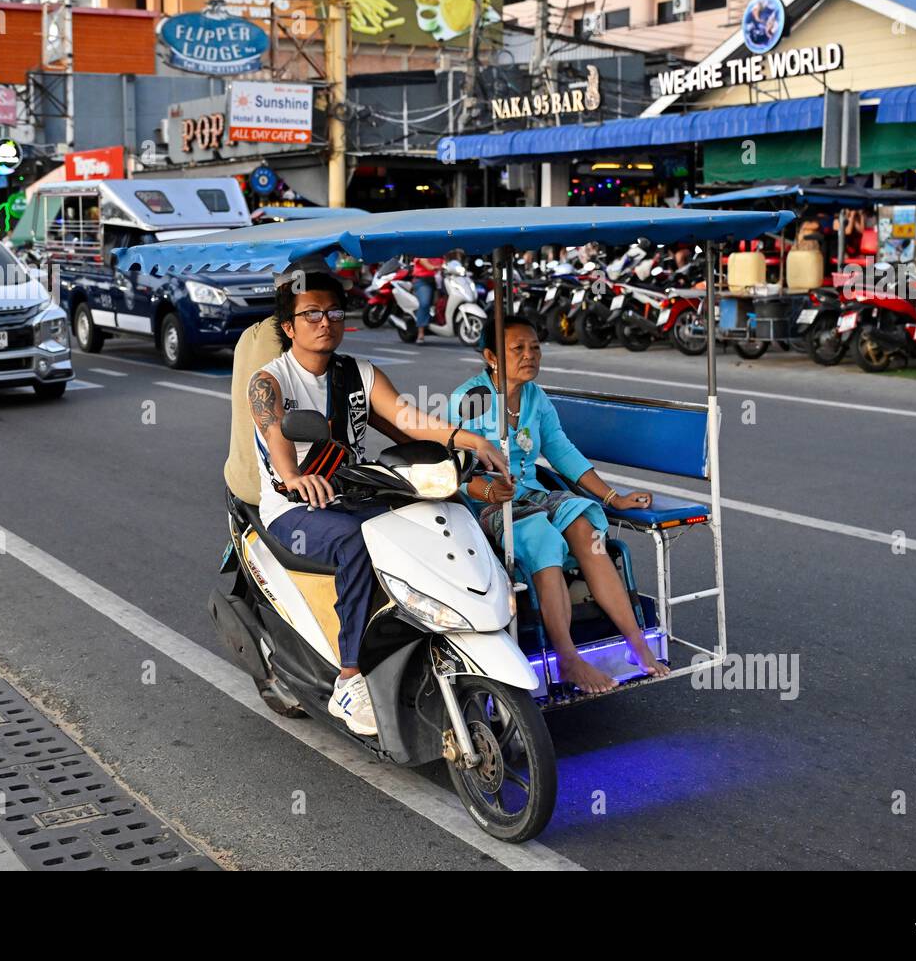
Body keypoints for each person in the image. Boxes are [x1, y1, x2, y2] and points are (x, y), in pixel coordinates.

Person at [246, 267, 509, 736]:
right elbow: (276, 438)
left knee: (437, 518)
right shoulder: (270, 382)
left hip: (353, 491)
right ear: (289, 327)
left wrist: (468, 439)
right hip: (296, 508)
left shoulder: (359, 373)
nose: (325, 321)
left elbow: (408, 419)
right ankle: (350, 678)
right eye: (311, 315)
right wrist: (294, 477)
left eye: (333, 312)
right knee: (355, 543)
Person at [449, 314, 668, 695]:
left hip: (533, 493)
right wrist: (490, 491)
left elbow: (562, 451)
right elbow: (459, 473)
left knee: (586, 530)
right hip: (485, 503)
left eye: (535, 347)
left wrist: (613, 496)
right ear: (491, 356)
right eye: (518, 349)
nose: (530, 355)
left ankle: (636, 643)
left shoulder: (535, 395)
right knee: (542, 536)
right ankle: (568, 658)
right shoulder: (470, 400)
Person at [410, 254, 443, 343]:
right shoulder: (421, 251)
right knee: (425, 303)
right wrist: (436, 267)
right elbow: (427, 265)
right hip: (423, 281)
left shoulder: (441, 252)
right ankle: (421, 333)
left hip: (439, 281)